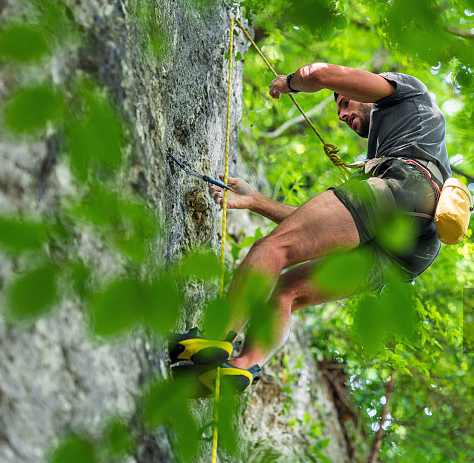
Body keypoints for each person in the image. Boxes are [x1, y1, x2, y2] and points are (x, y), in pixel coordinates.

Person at [169, 63, 451, 395]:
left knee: (271, 249)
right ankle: (243, 367)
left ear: (369, 94)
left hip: (410, 188)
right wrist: (255, 201)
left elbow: (318, 74)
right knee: (287, 291)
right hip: (406, 255)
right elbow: (320, 228)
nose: (342, 114)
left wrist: (292, 82)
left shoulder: (408, 93)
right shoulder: (387, 151)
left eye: (344, 102)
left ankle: (214, 339)